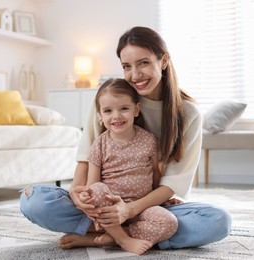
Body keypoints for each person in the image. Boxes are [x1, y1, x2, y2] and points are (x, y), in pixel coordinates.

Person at [20, 26, 232, 250]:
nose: (135, 75)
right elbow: (86, 158)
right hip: (103, 201)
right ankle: (126, 233)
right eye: (126, 67)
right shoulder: (108, 100)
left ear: (164, 60)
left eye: (143, 63)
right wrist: (76, 191)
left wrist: (129, 210)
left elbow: (171, 184)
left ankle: (106, 236)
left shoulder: (188, 114)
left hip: (148, 205)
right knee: (33, 201)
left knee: (218, 221)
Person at [80, 78, 178, 255]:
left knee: (170, 222)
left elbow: (155, 175)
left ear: (136, 109)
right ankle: (123, 240)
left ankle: (113, 237)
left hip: (141, 208)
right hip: (109, 211)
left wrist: (163, 199)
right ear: (100, 115)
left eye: (124, 108)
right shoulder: (99, 145)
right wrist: (88, 198)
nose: (116, 116)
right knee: (97, 189)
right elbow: (92, 185)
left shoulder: (149, 140)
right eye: (108, 111)